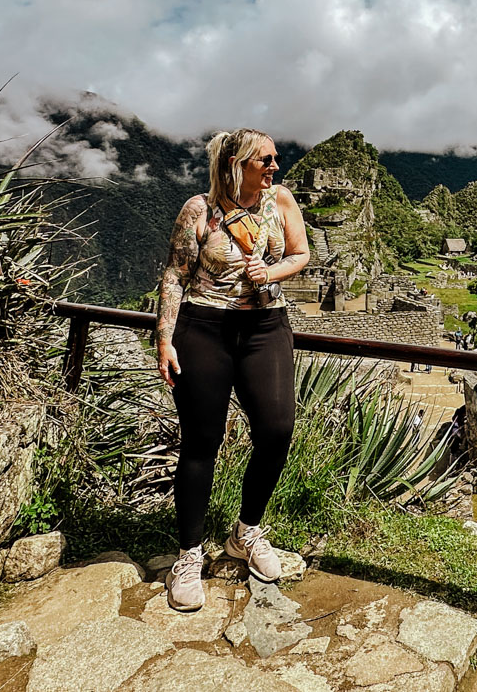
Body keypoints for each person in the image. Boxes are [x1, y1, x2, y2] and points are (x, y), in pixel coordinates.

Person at [155, 128, 312, 612]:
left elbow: (301, 254)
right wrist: (164, 338)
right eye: (265, 160)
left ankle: (246, 531)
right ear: (236, 164)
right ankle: (189, 555)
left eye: (275, 158)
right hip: (204, 328)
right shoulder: (198, 211)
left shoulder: (280, 201)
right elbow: (176, 275)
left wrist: (273, 272)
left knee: (277, 429)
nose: (274, 167)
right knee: (202, 441)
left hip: (265, 327)